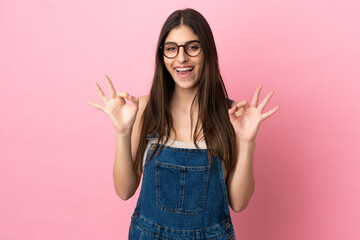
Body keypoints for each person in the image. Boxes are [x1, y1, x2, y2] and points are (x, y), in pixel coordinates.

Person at [88, 8, 279, 240]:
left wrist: (247, 142)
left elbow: (238, 203)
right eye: (171, 49)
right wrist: (122, 132)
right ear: (162, 56)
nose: (181, 58)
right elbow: (124, 191)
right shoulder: (143, 109)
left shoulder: (232, 116)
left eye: (192, 47)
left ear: (206, 51)